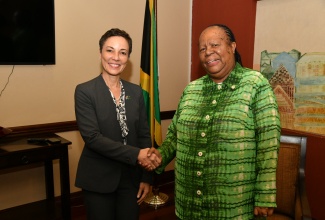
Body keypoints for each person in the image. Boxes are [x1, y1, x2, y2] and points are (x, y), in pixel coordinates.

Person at [146, 24, 281, 219]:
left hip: (234, 206)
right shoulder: (191, 89)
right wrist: (158, 156)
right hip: (189, 204)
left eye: (215, 44)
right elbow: (175, 136)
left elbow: (269, 142)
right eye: (202, 48)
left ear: (232, 47)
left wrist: (265, 194)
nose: (208, 52)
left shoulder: (256, 84)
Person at [74, 28, 161, 220]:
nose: (116, 57)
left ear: (128, 58)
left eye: (123, 52)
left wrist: (146, 177)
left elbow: (143, 135)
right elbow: (92, 138)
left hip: (130, 179)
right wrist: (136, 154)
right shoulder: (85, 91)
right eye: (110, 50)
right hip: (98, 178)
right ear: (100, 53)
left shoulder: (136, 92)